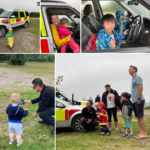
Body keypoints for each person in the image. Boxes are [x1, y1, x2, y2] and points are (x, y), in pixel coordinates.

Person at [129, 65, 147, 139]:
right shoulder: (133, 79)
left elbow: (140, 88)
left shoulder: (138, 77)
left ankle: (144, 134)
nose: (128, 70)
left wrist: (139, 99)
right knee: (138, 117)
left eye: (130, 68)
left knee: (141, 117)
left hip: (139, 100)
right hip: (135, 101)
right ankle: (141, 132)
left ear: (134, 70)